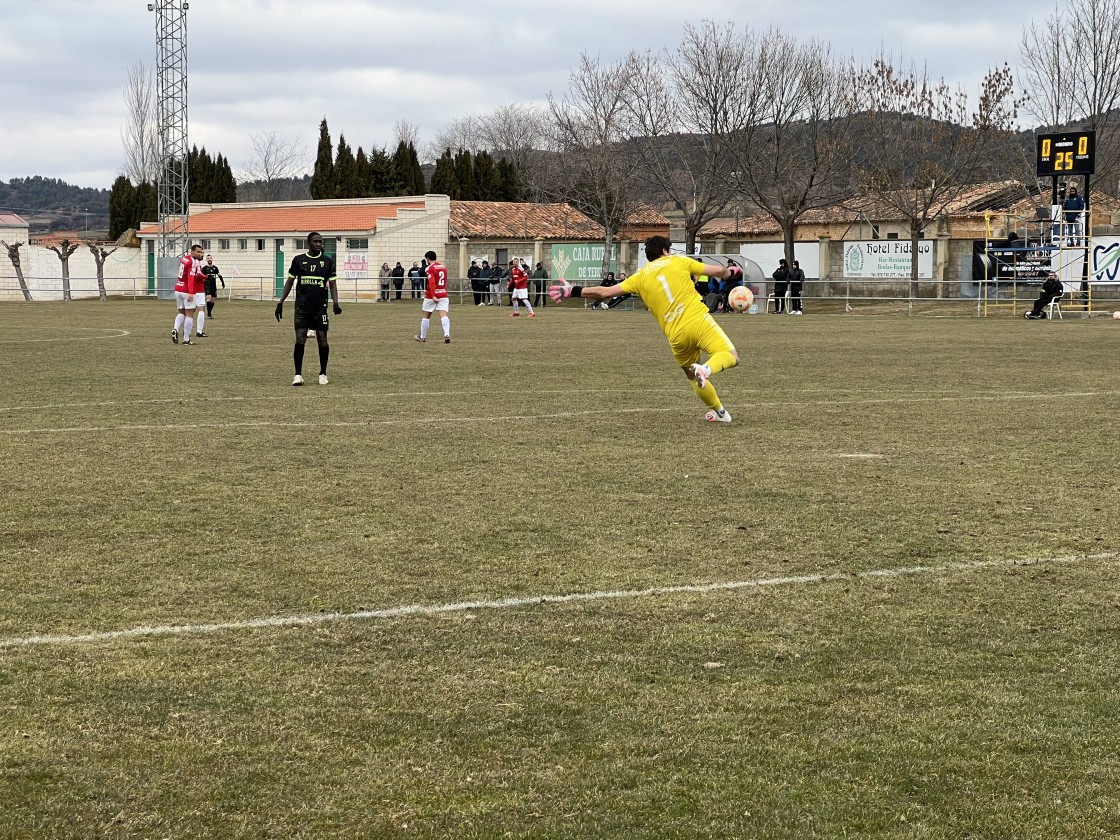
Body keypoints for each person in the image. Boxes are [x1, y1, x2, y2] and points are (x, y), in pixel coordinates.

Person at [550, 235, 741, 423]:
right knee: (731, 356)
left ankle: (720, 412)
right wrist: (733, 272)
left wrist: (573, 290)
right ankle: (707, 369)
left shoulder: (640, 276)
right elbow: (718, 272)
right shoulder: (679, 261)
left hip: (675, 335)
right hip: (697, 319)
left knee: (692, 376)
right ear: (665, 251)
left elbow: (604, 292)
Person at [274, 232, 342, 386]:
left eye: (320, 242)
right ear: (308, 243)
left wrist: (336, 303)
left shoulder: (327, 261)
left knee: (322, 340)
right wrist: (281, 302)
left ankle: (323, 373)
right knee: (300, 338)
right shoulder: (298, 260)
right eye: (315, 242)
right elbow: (290, 282)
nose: (319, 244)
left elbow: (332, 284)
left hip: (320, 308)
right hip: (302, 307)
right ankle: (298, 375)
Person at [415, 249, 451, 343]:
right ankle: (446, 334)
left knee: (426, 315)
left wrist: (434, 295)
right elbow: (445, 281)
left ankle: (422, 337)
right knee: (443, 315)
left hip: (431, 295)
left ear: (427, 258)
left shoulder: (429, 268)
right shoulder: (443, 267)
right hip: (443, 293)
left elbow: (431, 282)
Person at [172, 243, 204, 345]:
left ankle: (175, 329)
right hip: (186, 290)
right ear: (192, 251)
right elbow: (190, 278)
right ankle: (186, 339)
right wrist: (191, 293)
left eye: (201, 252)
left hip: (178, 288)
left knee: (181, 312)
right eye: (198, 252)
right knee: (190, 314)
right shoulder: (193, 262)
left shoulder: (184, 258)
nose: (200, 254)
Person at [201, 254, 224, 320]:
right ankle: (209, 313)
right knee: (208, 297)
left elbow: (219, 275)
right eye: (208, 258)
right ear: (206, 260)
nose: (209, 259)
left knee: (212, 301)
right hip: (207, 285)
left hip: (213, 285)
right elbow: (201, 276)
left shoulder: (215, 268)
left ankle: (209, 312)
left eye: (210, 258)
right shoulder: (204, 268)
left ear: (212, 259)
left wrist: (222, 282)